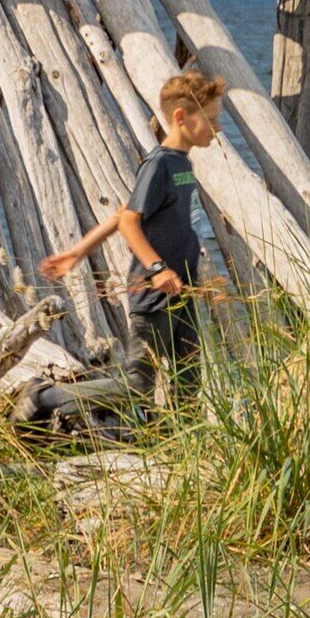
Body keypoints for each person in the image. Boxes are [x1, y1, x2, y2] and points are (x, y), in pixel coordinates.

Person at [39, 69, 225, 396]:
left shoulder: (182, 164)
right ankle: (44, 397)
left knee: (188, 385)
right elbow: (129, 222)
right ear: (181, 117)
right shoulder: (159, 164)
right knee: (137, 384)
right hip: (153, 296)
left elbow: (121, 213)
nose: (217, 128)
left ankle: (170, 446)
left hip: (181, 293)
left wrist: (78, 251)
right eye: (210, 120)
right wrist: (157, 269)